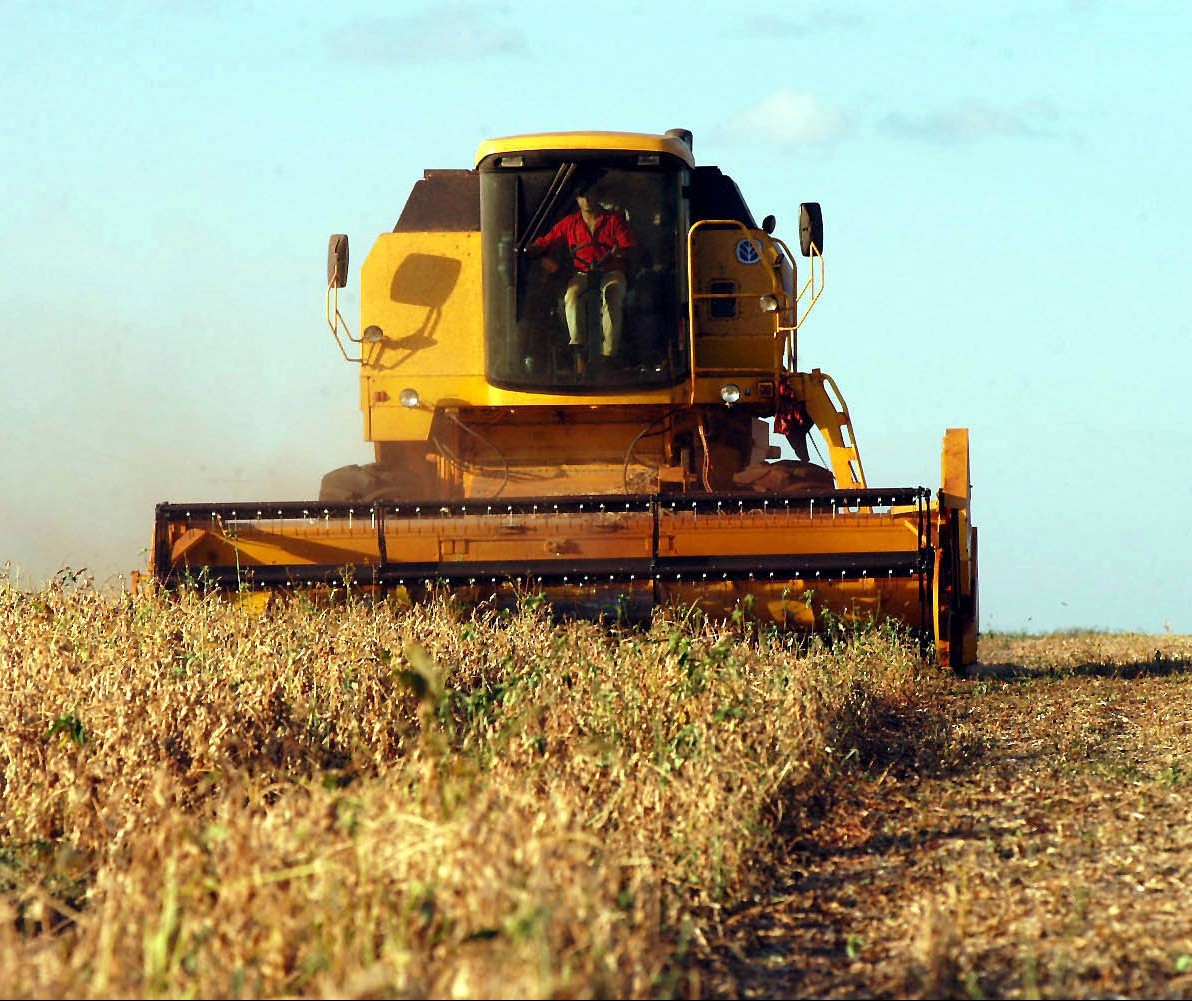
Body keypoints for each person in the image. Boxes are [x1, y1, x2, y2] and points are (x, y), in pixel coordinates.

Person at [528, 182, 637, 372]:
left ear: (597, 195)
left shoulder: (614, 221)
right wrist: (534, 248)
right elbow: (548, 239)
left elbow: (628, 247)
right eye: (582, 195)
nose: (586, 199)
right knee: (571, 295)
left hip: (610, 271)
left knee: (613, 293)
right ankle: (578, 350)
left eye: (590, 194)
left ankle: (608, 355)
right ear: (577, 199)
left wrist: (619, 252)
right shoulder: (569, 223)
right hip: (583, 273)